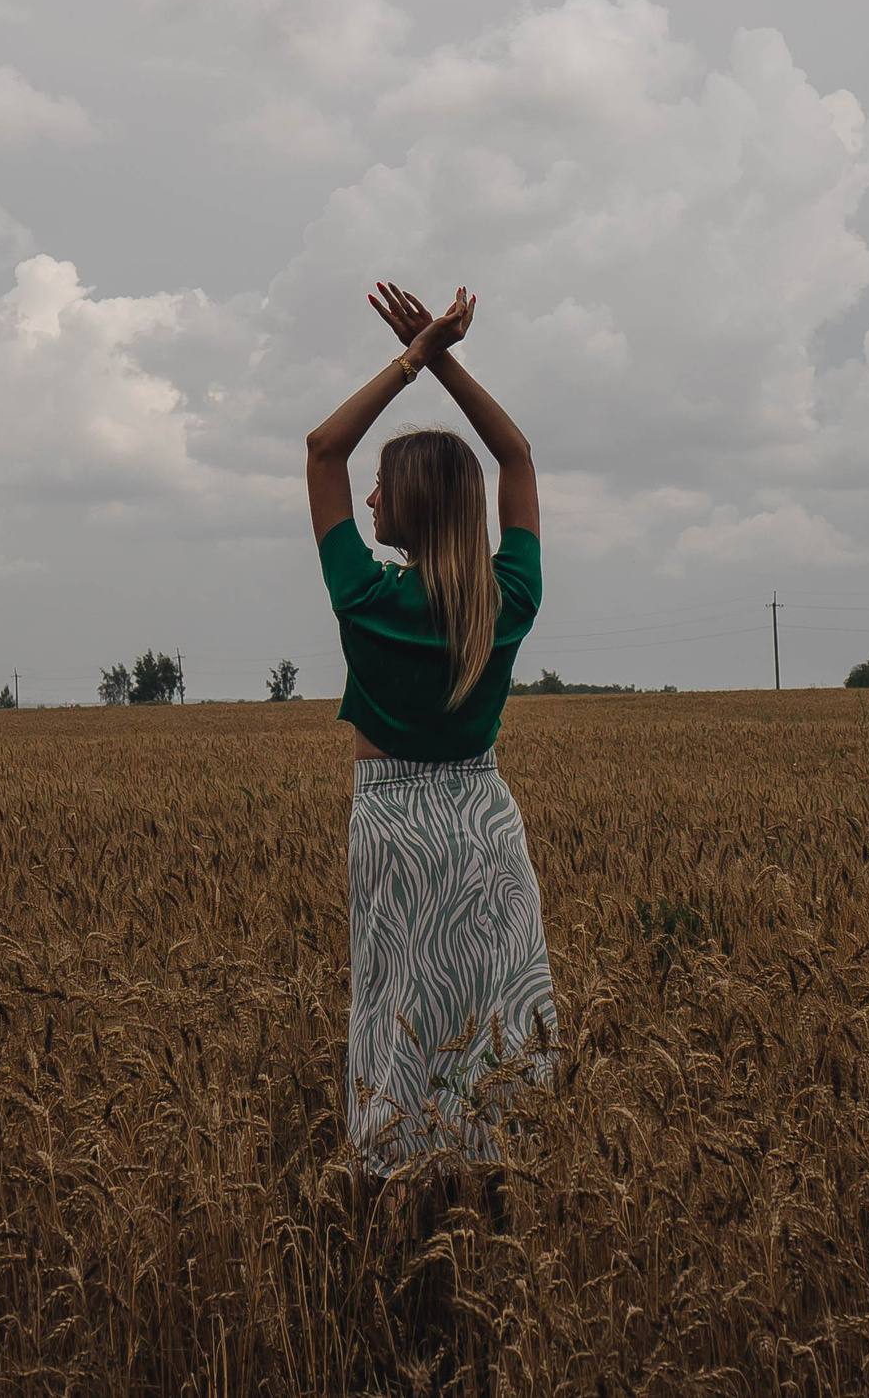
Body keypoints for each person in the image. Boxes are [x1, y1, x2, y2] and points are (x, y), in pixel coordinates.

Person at [305, 282, 558, 1171]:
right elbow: (517, 454)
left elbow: (321, 447)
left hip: (392, 825)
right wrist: (446, 355)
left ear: (406, 506)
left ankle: (399, 1198)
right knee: (492, 1018)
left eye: (382, 484)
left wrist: (413, 359)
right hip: (487, 824)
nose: (368, 493)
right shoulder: (509, 600)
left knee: (399, 1018)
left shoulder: (365, 598)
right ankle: (498, 1196)